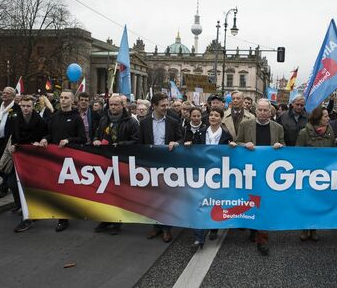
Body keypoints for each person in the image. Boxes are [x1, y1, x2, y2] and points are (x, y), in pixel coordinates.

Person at [231, 98, 285, 256]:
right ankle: (253, 228)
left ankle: (263, 238)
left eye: (265, 110)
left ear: (270, 112)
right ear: (255, 111)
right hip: (250, 171)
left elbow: (285, 146)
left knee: (265, 203)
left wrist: (280, 146)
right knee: (252, 201)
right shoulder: (245, 125)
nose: (262, 113)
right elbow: (236, 143)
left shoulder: (278, 128)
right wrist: (243, 145)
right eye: (260, 110)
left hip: (269, 173)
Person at [36, 90, 86, 232]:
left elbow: (83, 138)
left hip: (71, 159)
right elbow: (50, 134)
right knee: (59, 188)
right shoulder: (54, 116)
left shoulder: (77, 118)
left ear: (72, 100)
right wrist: (45, 138)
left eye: (66, 98)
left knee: (71, 188)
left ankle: (76, 209)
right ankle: (62, 219)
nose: (63, 100)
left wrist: (69, 140)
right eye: (62, 98)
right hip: (56, 159)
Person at [184, 106, 233, 249]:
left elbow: (229, 154)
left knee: (215, 202)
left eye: (216, 115)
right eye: (211, 115)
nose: (212, 117)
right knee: (200, 203)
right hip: (202, 173)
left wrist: (233, 146)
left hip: (217, 174)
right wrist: (189, 144)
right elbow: (194, 149)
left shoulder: (226, 135)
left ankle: (213, 228)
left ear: (221, 118)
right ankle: (198, 238)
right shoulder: (200, 132)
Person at [139, 92, 183, 243]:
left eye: (167, 105)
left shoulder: (173, 121)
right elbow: (140, 143)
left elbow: (181, 138)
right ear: (154, 106)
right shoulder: (144, 123)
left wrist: (176, 143)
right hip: (151, 165)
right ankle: (155, 226)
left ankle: (166, 229)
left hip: (168, 164)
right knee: (153, 197)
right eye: (163, 105)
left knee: (166, 197)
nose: (166, 108)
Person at [93, 94, 139, 235]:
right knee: (106, 192)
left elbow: (136, 141)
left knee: (120, 192)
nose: (113, 107)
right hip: (105, 161)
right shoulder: (103, 120)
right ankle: (106, 219)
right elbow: (97, 134)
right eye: (111, 104)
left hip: (122, 161)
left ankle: (117, 221)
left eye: (116, 104)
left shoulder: (131, 122)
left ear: (122, 106)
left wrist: (120, 145)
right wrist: (96, 140)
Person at [296, 106, 335, 242]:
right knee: (307, 202)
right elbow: (298, 154)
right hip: (307, 174)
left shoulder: (330, 131)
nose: (328, 118)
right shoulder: (304, 133)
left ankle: (314, 229)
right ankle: (304, 228)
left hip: (323, 174)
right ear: (318, 118)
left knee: (318, 202)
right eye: (325, 116)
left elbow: (333, 152)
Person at [10, 95, 48, 232]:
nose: (25, 108)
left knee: (31, 186)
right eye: (23, 106)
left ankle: (28, 216)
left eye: (28, 106)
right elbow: (13, 136)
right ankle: (24, 208)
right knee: (13, 183)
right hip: (20, 156)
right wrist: (13, 145)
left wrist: (43, 140)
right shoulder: (15, 119)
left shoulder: (40, 121)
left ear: (33, 106)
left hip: (35, 158)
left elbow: (48, 134)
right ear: (20, 106)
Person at [0, 87, 21, 199]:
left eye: (8, 93)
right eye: (4, 92)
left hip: (8, 142)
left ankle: (4, 187)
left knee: (6, 164)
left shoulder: (16, 109)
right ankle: (8, 180)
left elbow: (16, 125)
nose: (4, 94)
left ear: (13, 96)